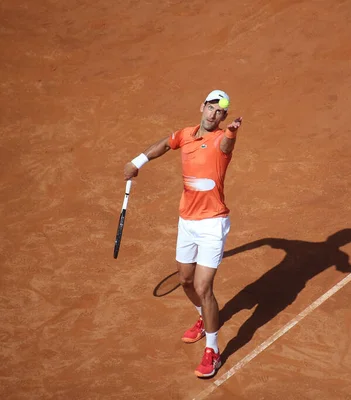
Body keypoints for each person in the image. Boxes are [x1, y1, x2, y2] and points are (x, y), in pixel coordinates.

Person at [123, 89, 242, 378]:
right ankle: (204, 318)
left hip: (213, 223)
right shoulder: (186, 134)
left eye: (221, 112)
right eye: (212, 108)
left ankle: (212, 351)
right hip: (186, 222)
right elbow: (165, 144)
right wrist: (137, 162)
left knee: (203, 287)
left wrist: (231, 132)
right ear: (202, 106)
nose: (215, 114)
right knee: (186, 280)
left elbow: (226, 146)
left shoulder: (221, 139)